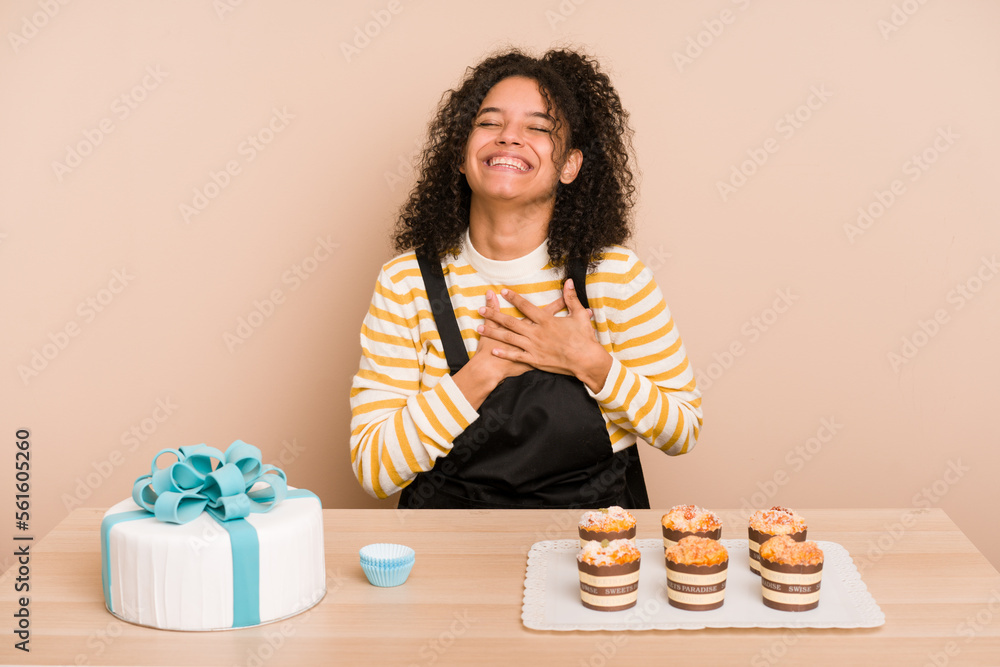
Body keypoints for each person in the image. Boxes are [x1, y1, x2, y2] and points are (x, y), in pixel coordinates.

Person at [349, 48, 702, 509]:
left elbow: (682, 429)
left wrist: (587, 360)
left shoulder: (613, 277)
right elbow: (374, 470)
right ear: (461, 154)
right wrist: (482, 372)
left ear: (570, 166)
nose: (509, 138)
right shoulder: (406, 282)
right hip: (448, 549)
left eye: (538, 128)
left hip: (593, 554)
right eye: (489, 123)